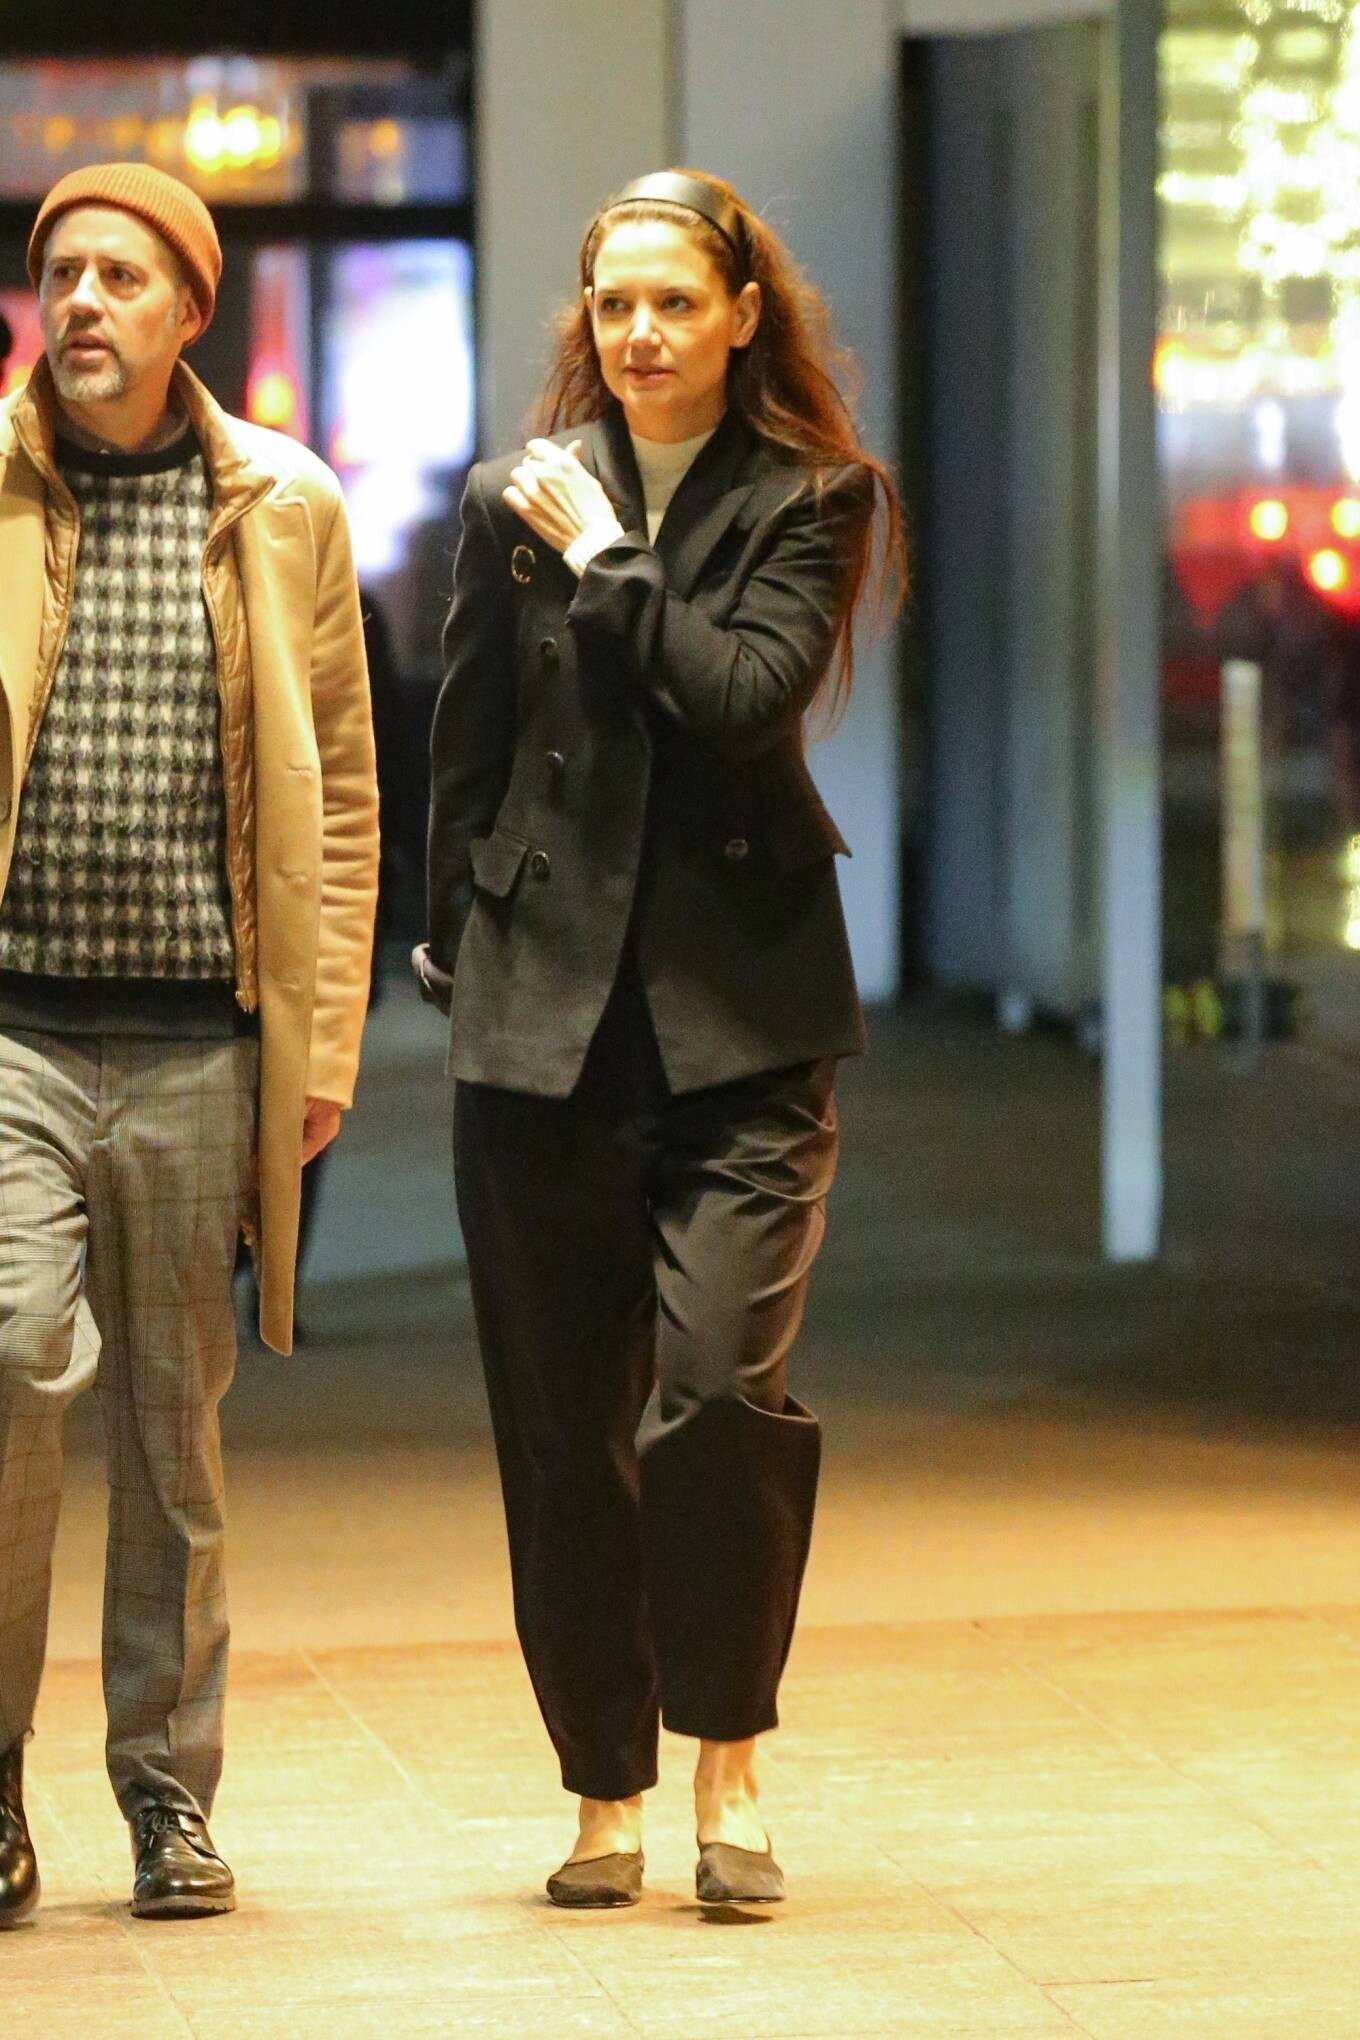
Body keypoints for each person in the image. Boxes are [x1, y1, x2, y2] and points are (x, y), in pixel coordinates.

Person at [415, 168, 901, 1908]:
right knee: (563, 1427)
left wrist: (611, 560)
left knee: (717, 1395)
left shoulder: (813, 496)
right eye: (612, 304)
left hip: (743, 1020)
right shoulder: (512, 497)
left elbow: (740, 698)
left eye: (674, 303)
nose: (638, 334)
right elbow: (471, 739)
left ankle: (731, 1759)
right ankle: (604, 1789)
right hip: (541, 1018)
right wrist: (449, 941)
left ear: (742, 314)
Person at [0, 164, 379, 1925]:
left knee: (175, 1431)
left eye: (121, 276)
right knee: (9, 1363)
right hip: (13, 1029)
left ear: (187, 312)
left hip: (200, 1043)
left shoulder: (283, 505)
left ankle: (166, 1794)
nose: (82, 301)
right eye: (61, 272)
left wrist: (324, 1046)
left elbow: (345, 794)